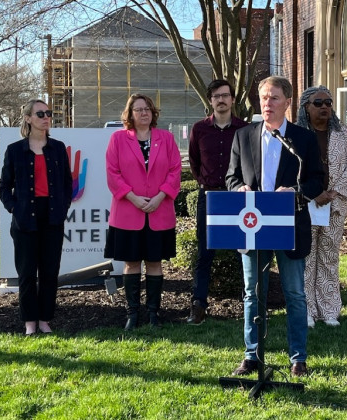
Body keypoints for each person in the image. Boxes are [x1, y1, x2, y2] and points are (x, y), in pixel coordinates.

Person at [226, 76, 324, 377]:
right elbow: (230, 177)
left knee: (295, 294)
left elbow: (318, 180)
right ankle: (252, 355)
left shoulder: (302, 140)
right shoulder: (244, 136)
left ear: (288, 102)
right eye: (264, 98)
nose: (267, 104)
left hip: (289, 225)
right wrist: (239, 188)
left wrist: (296, 192)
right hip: (253, 225)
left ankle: (298, 358)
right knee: (253, 293)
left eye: (274, 98)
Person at [105, 93, 182, 330]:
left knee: (155, 262)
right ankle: (133, 314)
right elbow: (113, 173)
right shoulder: (118, 139)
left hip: (159, 212)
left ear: (153, 112)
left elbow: (175, 171)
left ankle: (153, 314)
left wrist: (160, 197)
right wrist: (133, 198)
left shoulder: (166, 138)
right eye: (138, 109)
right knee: (131, 263)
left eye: (147, 108)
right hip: (128, 212)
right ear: (130, 114)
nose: (144, 112)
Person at [0, 99, 73, 335]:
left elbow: (66, 184)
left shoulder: (58, 148)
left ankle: (45, 319)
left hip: (52, 216)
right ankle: (30, 321)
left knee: (50, 272)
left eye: (48, 113)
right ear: (28, 118)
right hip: (25, 218)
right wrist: (14, 208)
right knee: (27, 273)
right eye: (40, 113)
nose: (46, 117)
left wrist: (62, 208)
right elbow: (4, 186)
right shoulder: (15, 151)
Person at [187, 79, 248, 325]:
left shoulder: (244, 129)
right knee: (205, 253)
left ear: (232, 99)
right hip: (210, 197)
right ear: (210, 100)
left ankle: (250, 303)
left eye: (225, 95)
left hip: (238, 197)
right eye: (216, 96)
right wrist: (205, 182)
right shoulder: (199, 129)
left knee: (243, 251)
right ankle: (198, 306)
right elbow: (194, 162)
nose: (221, 100)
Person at [295, 86, 347, 327]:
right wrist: (314, 193)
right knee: (307, 258)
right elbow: (292, 169)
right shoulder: (296, 135)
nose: (324, 107)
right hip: (305, 204)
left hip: (334, 204)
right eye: (318, 103)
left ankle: (330, 311)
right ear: (305, 107)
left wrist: (333, 193)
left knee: (329, 257)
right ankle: (307, 310)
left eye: (328, 103)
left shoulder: (342, 134)